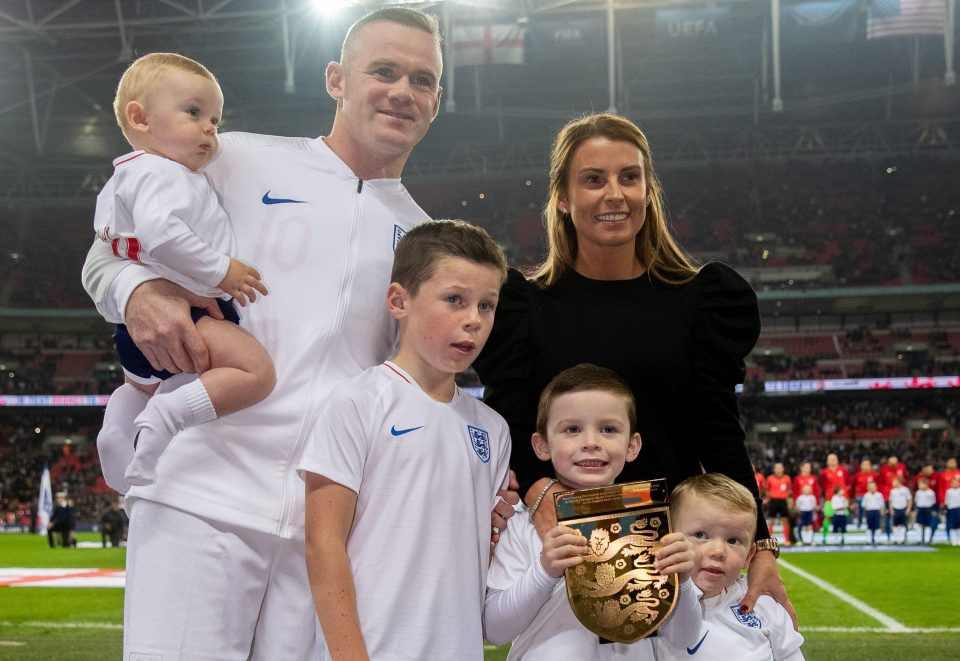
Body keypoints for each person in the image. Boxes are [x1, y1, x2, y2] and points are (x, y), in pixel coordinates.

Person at [80, 8, 519, 659]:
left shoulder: (428, 241)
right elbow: (105, 247)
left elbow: (412, 384)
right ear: (337, 79)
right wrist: (134, 290)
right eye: (384, 71)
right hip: (198, 494)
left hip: (326, 530)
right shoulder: (232, 159)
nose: (402, 90)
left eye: (421, 79)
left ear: (437, 100)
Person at [472, 112, 793, 622]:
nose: (614, 194)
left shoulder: (701, 301)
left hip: (677, 558)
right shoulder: (523, 306)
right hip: (566, 553)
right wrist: (544, 497)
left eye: (629, 176)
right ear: (562, 197)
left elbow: (719, 432)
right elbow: (509, 421)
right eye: (593, 179)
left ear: (649, 190)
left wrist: (762, 547)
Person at [300, 220, 510, 660]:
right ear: (399, 300)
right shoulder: (358, 402)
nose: (474, 319)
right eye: (455, 300)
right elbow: (323, 545)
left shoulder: (492, 428)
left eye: (487, 305)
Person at [94, 52, 274, 490]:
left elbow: (114, 240)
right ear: (140, 118)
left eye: (215, 117)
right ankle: (162, 422)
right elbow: (161, 235)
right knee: (256, 372)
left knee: (139, 387)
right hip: (188, 310)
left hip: (138, 320)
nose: (210, 127)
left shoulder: (129, 174)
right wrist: (222, 271)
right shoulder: (163, 173)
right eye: (194, 112)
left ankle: (117, 430)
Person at [484, 363, 701, 659]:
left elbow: (683, 637)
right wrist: (544, 571)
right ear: (542, 445)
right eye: (572, 429)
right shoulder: (524, 527)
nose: (590, 443)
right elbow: (495, 631)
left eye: (608, 429)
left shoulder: (654, 525)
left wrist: (684, 581)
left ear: (632, 445)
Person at [655, 473, 805, 660]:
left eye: (733, 540)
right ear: (670, 538)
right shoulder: (652, 605)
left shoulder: (764, 606)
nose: (718, 551)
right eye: (701, 535)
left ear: (749, 556)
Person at [766, 463, 792, 544]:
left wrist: (787, 497)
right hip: (773, 501)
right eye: (776, 468)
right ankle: (769, 540)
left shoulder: (787, 478)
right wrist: (770, 496)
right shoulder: (770, 478)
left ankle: (787, 540)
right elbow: (767, 490)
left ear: (783, 469)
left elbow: (789, 490)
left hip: (783, 501)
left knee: (785, 520)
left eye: (780, 468)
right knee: (771, 520)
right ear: (774, 469)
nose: (778, 470)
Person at [852, 458, 878, 528]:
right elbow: (854, 485)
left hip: (871, 496)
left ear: (870, 466)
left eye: (867, 465)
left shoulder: (874, 475)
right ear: (861, 466)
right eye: (864, 465)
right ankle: (859, 524)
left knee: (870, 511)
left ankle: (869, 524)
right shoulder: (857, 475)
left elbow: (877, 485)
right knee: (860, 510)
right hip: (860, 496)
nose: (866, 466)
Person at [889, 476, 912, 544]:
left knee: (903, 524)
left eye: (894, 481)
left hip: (903, 509)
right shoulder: (893, 491)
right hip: (895, 509)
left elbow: (909, 500)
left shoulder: (905, 490)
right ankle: (896, 538)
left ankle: (902, 538)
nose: (893, 483)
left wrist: (908, 509)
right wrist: (891, 510)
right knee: (895, 524)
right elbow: (891, 501)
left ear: (898, 482)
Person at [861, 481, 885, 545]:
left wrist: (882, 512)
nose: (872, 488)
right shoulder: (866, 495)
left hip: (876, 511)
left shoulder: (879, 495)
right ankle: (869, 540)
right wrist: (866, 512)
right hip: (869, 511)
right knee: (869, 526)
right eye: (870, 487)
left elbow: (882, 505)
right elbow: (864, 505)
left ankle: (877, 540)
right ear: (868, 488)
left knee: (877, 526)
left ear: (876, 487)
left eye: (873, 487)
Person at [913, 477, 936, 545]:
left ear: (926, 484)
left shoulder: (931, 492)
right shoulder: (918, 492)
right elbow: (916, 501)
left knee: (927, 525)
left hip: (927, 509)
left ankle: (927, 540)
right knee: (919, 524)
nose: (919, 486)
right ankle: (919, 539)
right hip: (920, 509)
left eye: (921, 484)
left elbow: (933, 501)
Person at [945, 476, 960, 546]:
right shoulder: (949, 491)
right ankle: (953, 540)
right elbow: (947, 501)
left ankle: (958, 539)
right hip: (951, 509)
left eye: (956, 483)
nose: (955, 484)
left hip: (958, 508)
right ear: (951, 484)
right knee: (952, 525)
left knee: (958, 525)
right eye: (953, 483)